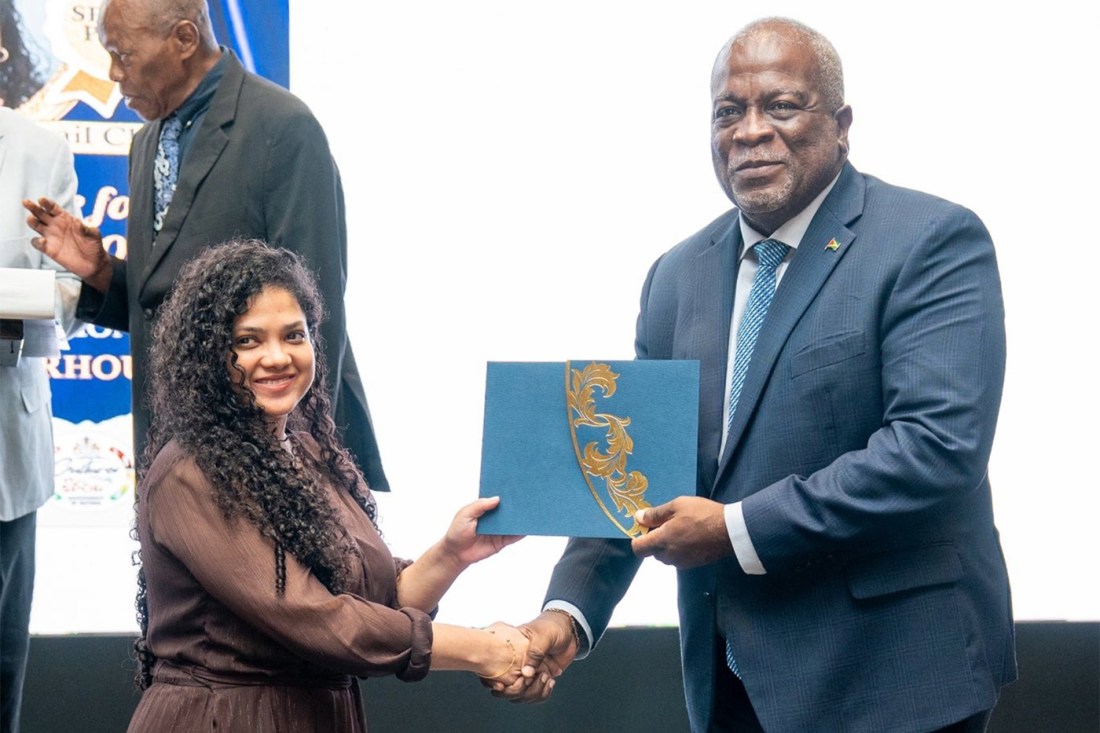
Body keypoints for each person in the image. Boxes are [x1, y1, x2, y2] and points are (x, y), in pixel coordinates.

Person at [501, 17, 1016, 733]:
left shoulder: (929, 241)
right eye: (727, 111)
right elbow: (637, 468)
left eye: (781, 105)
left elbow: (936, 449)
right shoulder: (676, 276)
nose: (749, 131)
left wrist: (735, 527)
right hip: (732, 685)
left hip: (892, 685)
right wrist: (567, 611)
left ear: (841, 125)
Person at [127, 238, 525, 733]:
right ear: (208, 354)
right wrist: (483, 649)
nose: (277, 357)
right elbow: (320, 621)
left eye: (294, 335)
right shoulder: (192, 471)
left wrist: (451, 554)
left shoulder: (308, 452)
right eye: (248, 340)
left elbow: (373, 603)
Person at [21, 0, 389, 491]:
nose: (112, 73)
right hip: (170, 452)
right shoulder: (147, 139)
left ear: (184, 39)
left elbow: (315, 310)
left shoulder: (283, 127)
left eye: (123, 55)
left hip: (265, 459)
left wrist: (300, 466)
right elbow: (168, 307)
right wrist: (102, 272)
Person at [0, 106, 81, 733]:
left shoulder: (40, 150)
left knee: (1, 661)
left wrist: (42, 295)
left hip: (5, 449)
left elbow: (67, 295)